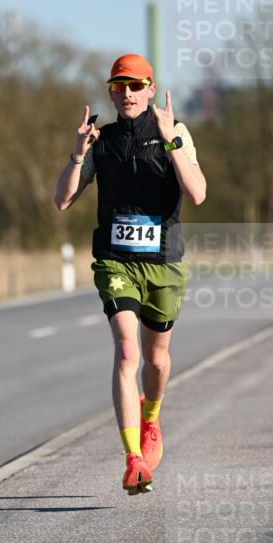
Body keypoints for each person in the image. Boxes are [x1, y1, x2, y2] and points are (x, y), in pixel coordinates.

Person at [54, 53, 207, 494]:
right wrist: (78, 153)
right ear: (111, 92)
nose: (127, 94)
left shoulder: (175, 133)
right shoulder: (101, 140)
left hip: (163, 261)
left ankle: (151, 418)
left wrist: (171, 140)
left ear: (151, 89)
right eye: (118, 87)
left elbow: (197, 192)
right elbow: (62, 200)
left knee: (156, 359)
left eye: (135, 86)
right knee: (126, 352)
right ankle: (133, 459)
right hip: (115, 260)